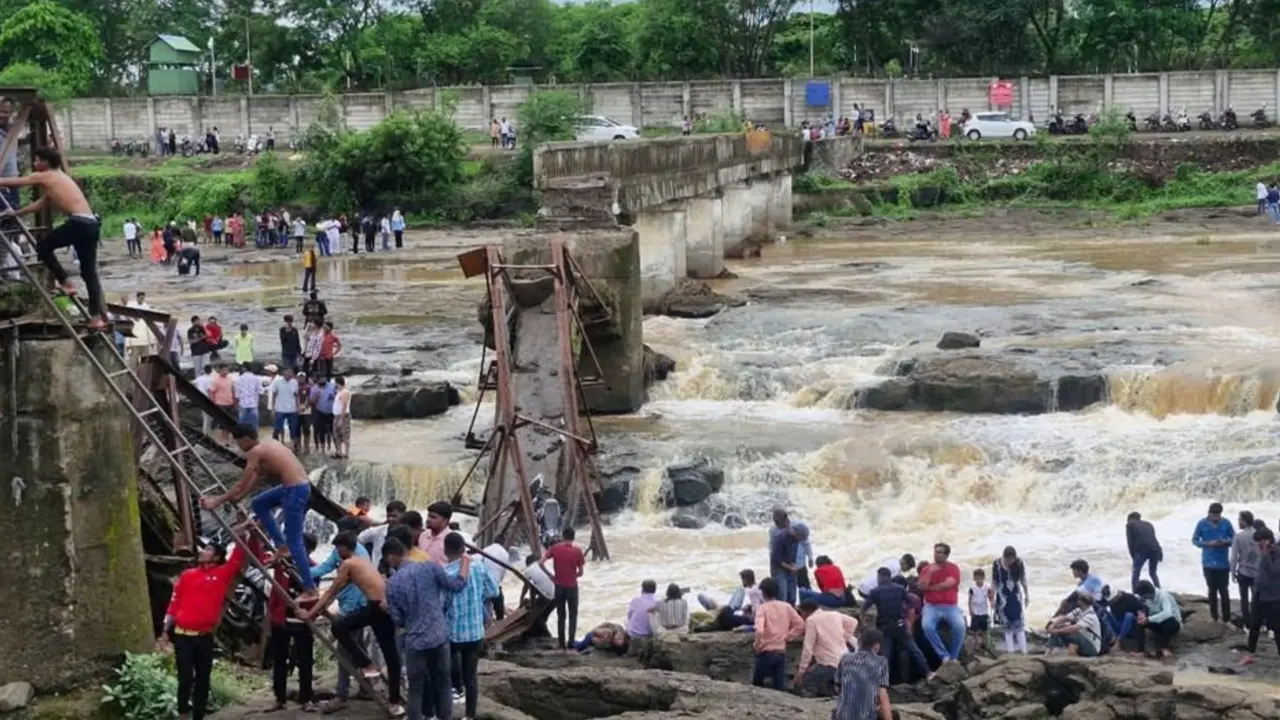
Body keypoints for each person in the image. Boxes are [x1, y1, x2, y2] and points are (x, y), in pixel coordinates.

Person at [199, 427, 317, 598]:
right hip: (293, 488)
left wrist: (215, 501)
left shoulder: (255, 451)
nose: (238, 446)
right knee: (259, 504)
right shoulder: (268, 445)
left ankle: (310, 589)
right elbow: (257, 478)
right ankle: (281, 546)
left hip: (294, 491)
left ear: (246, 438)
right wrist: (240, 497)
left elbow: (241, 482)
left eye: (238, 441)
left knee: (295, 542)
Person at [296, 533, 405, 716]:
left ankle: (366, 663)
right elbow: (340, 589)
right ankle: (394, 700)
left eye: (338, 549)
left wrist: (310, 614)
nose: (337, 553)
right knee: (391, 656)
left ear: (345, 547)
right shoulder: (363, 560)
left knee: (339, 628)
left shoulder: (349, 563)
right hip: (382, 607)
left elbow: (332, 590)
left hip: (376, 608)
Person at [0, 148, 106, 328]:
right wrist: (16, 212)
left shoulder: (46, 176)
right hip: (91, 224)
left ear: (46, 163)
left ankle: (65, 281)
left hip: (78, 223)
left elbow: (16, 182)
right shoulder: (60, 178)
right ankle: (96, 317)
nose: (34, 164)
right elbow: (40, 205)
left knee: (43, 247)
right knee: (89, 273)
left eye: (36, 161)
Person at [159, 527, 252, 720]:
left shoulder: (222, 574)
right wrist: (165, 629)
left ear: (217, 557)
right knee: (185, 678)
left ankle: (199, 716)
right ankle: (183, 714)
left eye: (208, 550)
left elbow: (237, 558)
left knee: (203, 678)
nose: (203, 552)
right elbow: (175, 602)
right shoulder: (188, 575)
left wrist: (243, 534)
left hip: (204, 637)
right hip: (183, 635)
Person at [383, 536, 471, 720]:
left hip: (415, 641)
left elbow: (397, 618)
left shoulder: (392, 583)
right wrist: (465, 564)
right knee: (443, 685)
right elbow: (456, 585)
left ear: (391, 557)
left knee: (416, 689)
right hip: (439, 636)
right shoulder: (429, 567)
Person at [444, 533, 499, 717]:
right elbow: (494, 591)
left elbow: (441, 604)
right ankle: (469, 715)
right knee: (471, 677)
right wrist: (478, 598)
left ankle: (451, 701)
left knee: (448, 670)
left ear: (445, 551)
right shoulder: (479, 567)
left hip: (453, 632)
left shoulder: (446, 573)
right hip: (475, 630)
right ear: (463, 549)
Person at [268, 532, 319, 713]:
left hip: (302, 621)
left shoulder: (313, 569)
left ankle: (307, 698)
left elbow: (314, 596)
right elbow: (266, 561)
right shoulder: (282, 564)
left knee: (304, 661)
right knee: (279, 659)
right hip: (281, 619)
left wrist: (309, 614)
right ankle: (279, 698)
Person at [862, 567, 931, 682]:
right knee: (914, 650)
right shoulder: (899, 589)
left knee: (885, 655)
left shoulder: (875, 592)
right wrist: (906, 615)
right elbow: (912, 602)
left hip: (885, 628)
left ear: (880, 577)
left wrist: (864, 623)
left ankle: (881, 680)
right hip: (900, 625)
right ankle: (927, 672)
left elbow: (863, 609)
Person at [794, 600, 858, 698]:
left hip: (829, 663)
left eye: (800, 613)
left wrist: (800, 672)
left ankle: (814, 693)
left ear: (806, 611)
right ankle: (833, 688)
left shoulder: (811, 620)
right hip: (845, 660)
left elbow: (808, 648)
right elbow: (854, 622)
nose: (800, 616)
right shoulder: (834, 614)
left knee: (807, 681)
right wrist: (844, 637)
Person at [752, 577, 805, 691]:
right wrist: (788, 636)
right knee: (779, 685)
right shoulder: (786, 606)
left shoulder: (762, 608)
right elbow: (800, 624)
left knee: (757, 684)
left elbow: (760, 630)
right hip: (781, 651)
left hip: (766, 652)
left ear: (763, 592)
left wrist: (756, 645)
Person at [540, 526, 586, 650]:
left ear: (563, 536)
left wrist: (551, 576)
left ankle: (561, 643)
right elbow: (581, 572)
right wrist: (574, 575)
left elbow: (541, 563)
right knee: (573, 615)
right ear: (573, 537)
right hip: (572, 587)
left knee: (561, 615)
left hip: (559, 586)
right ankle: (571, 642)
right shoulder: (577, 551)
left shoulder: (555, 548)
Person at [832, 628, 893, 720]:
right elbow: (882, 695)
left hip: (843, 715)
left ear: (860, 643)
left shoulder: (845, 658)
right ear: (876, 645)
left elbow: (838, 687)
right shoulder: (881, 662)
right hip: (866, 716)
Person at [918, 542, 964, 664]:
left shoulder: (953, 568)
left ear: (946, 555)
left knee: (960, 626)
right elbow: (922, 587)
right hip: (932, 606)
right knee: (927, 626)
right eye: (935, 551)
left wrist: (931, 588)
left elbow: (949, 584)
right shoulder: (927, 569)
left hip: (950, 606)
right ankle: (944, 656)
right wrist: (929, 573)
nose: (936, 554)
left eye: (939, 552)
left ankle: (954, 657)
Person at [1241, 527, 1280, 666]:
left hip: (1274, 597)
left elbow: (1275, 571)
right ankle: (1250, 653)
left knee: (1277, 629)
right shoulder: (1259, 552)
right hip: (1259, 594)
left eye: (1259, 542)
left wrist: (1265, 554)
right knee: (1254, 626)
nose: (1257, 545)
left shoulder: (1277, 552)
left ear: (1268, 540)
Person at [1192, 502, 1235, 623]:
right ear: (1209, 513)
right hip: (1208, 562)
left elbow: (1234, 539)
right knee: (1212, 590)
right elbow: (1195, 540)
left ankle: (1227, 618)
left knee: (1224, 591)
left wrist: (1226, 542)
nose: (1216, 518)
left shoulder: (1226, 523)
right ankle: (1214, 616)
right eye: (1214, 516)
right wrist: (1207, 544)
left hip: (1223, 563)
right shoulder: (1201, 523)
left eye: (1218, 516)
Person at [993, 546, 1030, 655]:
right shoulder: (997, 564)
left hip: (1015, 596)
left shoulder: (1019, 563)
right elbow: (994, 581)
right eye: (1008, 559)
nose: (1010, 562)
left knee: (1018, 622)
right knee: (1006, 624)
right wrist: (992, 595)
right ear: (1004, 557)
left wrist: (1027, 595)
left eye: (1012, 559)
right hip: (1002, 597)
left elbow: (1023, 579)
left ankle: (1024, 650)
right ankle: (1010, 651)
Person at [1134, 579, 1181, 658]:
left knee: (1169, 622)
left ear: (1148, 593)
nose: (1141, 597)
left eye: (1142, 596)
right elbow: (1144, 607)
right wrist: (1142, 614)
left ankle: (1164, 648)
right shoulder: (1147, 599)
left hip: (1172, 622)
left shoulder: (1163, 596)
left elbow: (1167, 613)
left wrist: (1149, 619)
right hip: (1157, 622)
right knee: (1139, 622)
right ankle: (1140, 651)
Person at [1045, 593, 1102, 657]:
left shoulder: (1091, 616)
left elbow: (1074, 628)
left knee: (1071, 633)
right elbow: (1065, 618)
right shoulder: (1079, 610)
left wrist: (1056, 631)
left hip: (1092, 648)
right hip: (1083, 641)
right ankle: (1047, 653)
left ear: (1080, 602)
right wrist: (1053, 625)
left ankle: (1052, 650)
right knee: (1059, 628)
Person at [1233, 510, 1260, 630]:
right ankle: (1257, 623)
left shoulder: (1239, 536)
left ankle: (1247, 625)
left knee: (1244, 599)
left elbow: (1234, 556)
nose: (1238, 522)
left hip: (1243, 571)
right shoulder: (1259, 535)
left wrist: (1232, 571)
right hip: (1257, 572)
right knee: (1256, 600)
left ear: (1244, 521)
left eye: (1240, 520)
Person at [769, 509, 801, 605]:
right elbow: (775, 558)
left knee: (792, 596)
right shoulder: (778, 535)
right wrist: (790, 567)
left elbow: (796, 550)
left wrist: (795, 564)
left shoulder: (795, 530)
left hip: (790, 565)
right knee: (782, 597)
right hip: (779, 568)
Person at [1126, 511, 1163, 590]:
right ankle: (1159, 590)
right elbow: (1152, 538)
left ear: (1130, 519)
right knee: (1153, 573)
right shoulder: (1149, 524)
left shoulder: (1130, 525)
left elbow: (1130, 543)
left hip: (1142, 549)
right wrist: (1160, 553)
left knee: (1136, 572)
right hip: (1156, 549)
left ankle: (1135, 593)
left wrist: (1133, 557)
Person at [270, 367, 301, 452]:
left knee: (293, 428)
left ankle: (293, 447)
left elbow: (297, 395)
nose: (290, 374)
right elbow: (274, 395)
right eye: (288, 372)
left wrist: (298, 407)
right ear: (284, 372)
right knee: (277, 428)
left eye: (291, 372)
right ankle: (274, 446)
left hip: (292, 410)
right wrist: (273, 408)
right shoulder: (277, 382)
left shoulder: (294, 382)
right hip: (280, 409)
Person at [626, 580, 659, 650]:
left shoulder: (635, 600)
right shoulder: (657, 601)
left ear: (642, 589)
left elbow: (629, 616)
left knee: (626, 621)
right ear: (655, 590)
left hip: (634, 634)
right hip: (650, 634)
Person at [209, 365, 236, 441]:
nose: (225, 372)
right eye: (224, 370)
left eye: (227, 370)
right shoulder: (216, 380)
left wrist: (234, 399)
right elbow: (212, 392)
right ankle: (216, 438)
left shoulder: (230, 378)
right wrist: (213, 402)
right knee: (221, 422)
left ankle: (225, 438)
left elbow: (233, 389)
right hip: (220, 404)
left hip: (230, 403)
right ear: (219, 370)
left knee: (228, 422)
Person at [968, 568, 993, 648]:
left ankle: (984, 642)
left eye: (980, 578)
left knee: (984, 629)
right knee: (975, 629)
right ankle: (977, 643)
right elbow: (970, 600)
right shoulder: (972, 588)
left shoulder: (987, 587)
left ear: (983, 578)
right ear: (974, 578)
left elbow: (990, 597)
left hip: (984, 611)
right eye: (977, 578)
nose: (978, 580)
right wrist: (970, 610)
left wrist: (992, 602)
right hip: (975, 611)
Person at [332, 376, 352, 459]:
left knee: (345, 434)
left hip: (343, 415)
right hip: (337, 415)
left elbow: (344, 405)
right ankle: (339, 452)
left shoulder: (345, 392)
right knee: (337, 434)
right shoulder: (339, 392)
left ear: (337, 383)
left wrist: (341, 418)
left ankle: (346, 453)